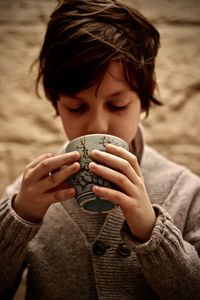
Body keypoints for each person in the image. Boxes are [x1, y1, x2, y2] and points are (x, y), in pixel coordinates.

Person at [0, 0, 200, 299]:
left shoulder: (184, 191)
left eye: (117, 105)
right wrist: (19, 221)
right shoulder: (31, 196)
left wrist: (151, 232)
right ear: (56, 103)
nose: (98, 125)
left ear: (146, 97)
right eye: (76, 107)